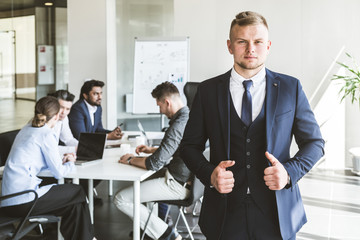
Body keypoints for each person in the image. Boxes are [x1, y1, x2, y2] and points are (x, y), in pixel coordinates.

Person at [180, 11, 325, 240]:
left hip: (277, 212)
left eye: (257, 42)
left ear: (267, 46)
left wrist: (288, 173)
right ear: (230, 46)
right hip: (225, 212)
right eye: (242, 42)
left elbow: (315, 143)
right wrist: (210, 175)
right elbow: (188, 146)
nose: (250, 49)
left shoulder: (291, 88)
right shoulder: (207, 91)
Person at [1, 96, 95, 240]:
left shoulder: (26, 129)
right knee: (77, 191)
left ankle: (86, 238)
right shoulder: (46, 134)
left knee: (73, 205)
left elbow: (35, 158)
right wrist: (70, 162)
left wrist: (59, 161)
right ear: (57, 116)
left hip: (9, 199)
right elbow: (58, 173)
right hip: (25, 199)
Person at [114, 82, 192, 240]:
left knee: (120, 199)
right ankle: (151, 230)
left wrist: (131, 159)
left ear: (167, 102)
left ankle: (167, 234)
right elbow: (179, 148)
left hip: (177, 184)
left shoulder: (178, 125)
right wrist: (151, 150)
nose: (160, 111)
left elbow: (154, 164)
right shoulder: (190, 116)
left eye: (159, 106)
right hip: (186, 179)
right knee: (141, 185)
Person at [48, 89, 78, 156]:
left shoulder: (64, 118)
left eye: (68, 109)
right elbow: (50, 149)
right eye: (61, 107)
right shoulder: (43, 120)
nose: (64, 112)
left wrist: (82, 146)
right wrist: (76, 149)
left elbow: (68, 139)